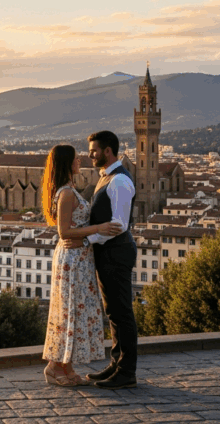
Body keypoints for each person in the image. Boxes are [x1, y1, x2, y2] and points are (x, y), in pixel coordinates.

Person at [40, 144, 121, 386]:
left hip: (79, 260)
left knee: (74, 312)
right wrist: (99, 229)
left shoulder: (70, 190)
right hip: (71, 262)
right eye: (76, 159)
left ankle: (67, 367)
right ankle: (54, 368)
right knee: (68, 314)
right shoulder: (66, 194)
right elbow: (64, 231)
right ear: (66, 163)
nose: (80, 161)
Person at [83, 130, 139, 389]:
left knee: (122, 312)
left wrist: (87, 240)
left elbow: (118, 224)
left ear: (108, 151)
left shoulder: (118, 182)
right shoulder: (107, 178)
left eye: (94, 150)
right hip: (109, 252)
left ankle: (127, 371)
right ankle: (116, 364)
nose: (90, 155)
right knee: (113, 312)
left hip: (116, 252)